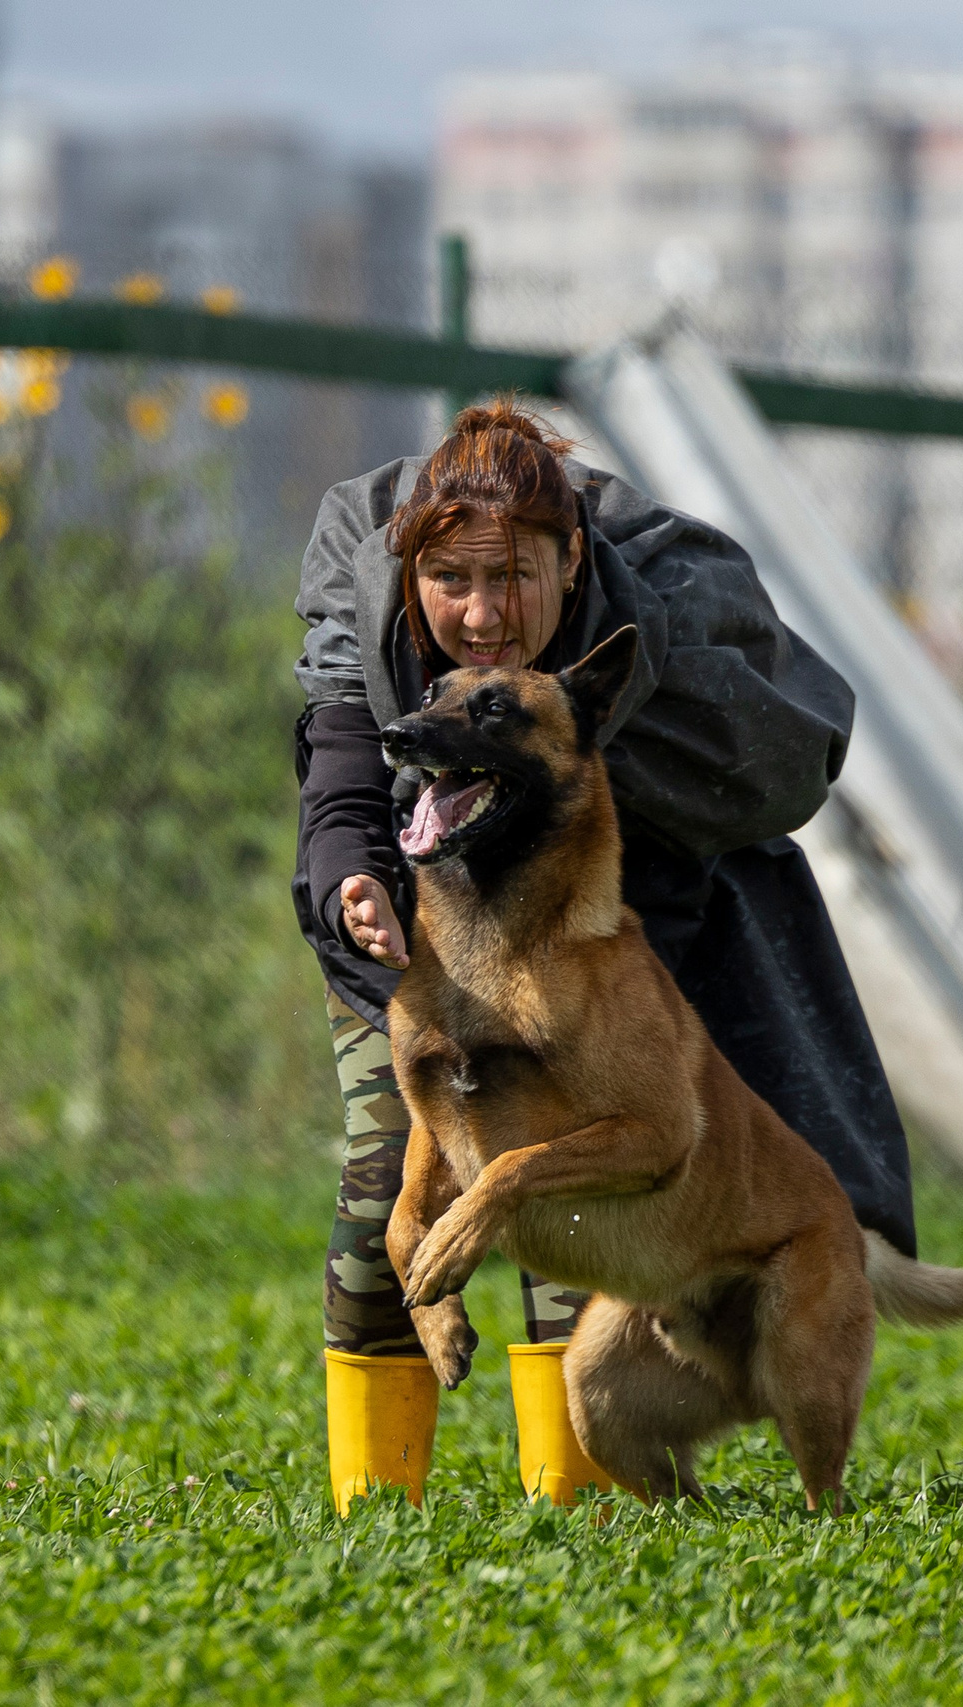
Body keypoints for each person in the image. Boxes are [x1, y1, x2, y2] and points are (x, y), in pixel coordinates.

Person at [293, 399, 915, 1511]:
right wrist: (351, 882)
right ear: (409, 576)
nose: (482, 615)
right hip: (422, 930)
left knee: (569, 1198)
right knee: (383, 1180)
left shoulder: (672, 621)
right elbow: (342, 772)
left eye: (514, 577)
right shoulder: (364, 600)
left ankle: (569, 1507)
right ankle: (369, 1514)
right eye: (452, 582)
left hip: (623, 925)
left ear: (571, 557)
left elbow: (765, 778)